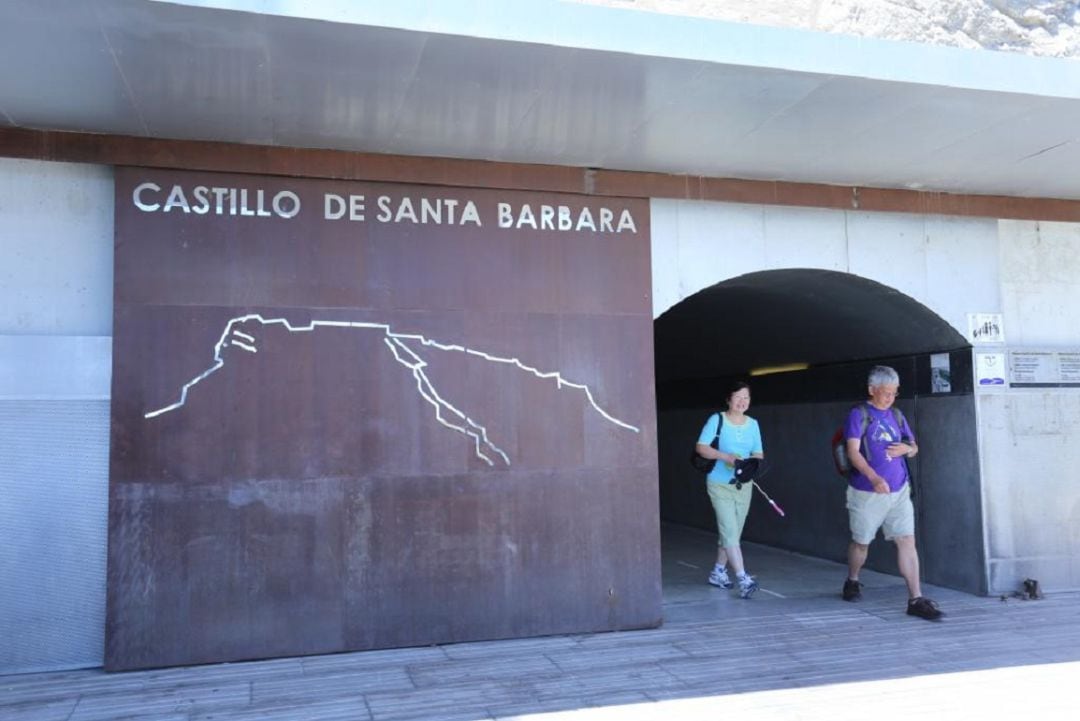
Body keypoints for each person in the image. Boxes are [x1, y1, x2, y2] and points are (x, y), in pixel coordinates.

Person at [841, 365, 943, 621]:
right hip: (867, 491)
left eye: (894, 393)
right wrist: (874, 478)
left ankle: (915, 599)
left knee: (907, 540)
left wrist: (906, 451)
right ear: (872, 389)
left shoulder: (897, 415)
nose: (890, 398)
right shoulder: (859, 414)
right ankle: (852, 579)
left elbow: (914, 445)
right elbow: (853, 452)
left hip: (899, 490)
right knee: (861, 543)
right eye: (885, 392)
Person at [695, 381, 764, 599]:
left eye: (746, 397)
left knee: (731, 533)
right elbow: (701, 447)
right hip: (719, 484)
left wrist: (747, 463)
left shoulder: (753, 424)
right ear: (728, 399)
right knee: (730, 531)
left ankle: (718, 572)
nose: (742, 401)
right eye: (738, 396)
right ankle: (743, 578)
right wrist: (725, 457)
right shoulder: (717, 420)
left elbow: (759, 454)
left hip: (744, 486)